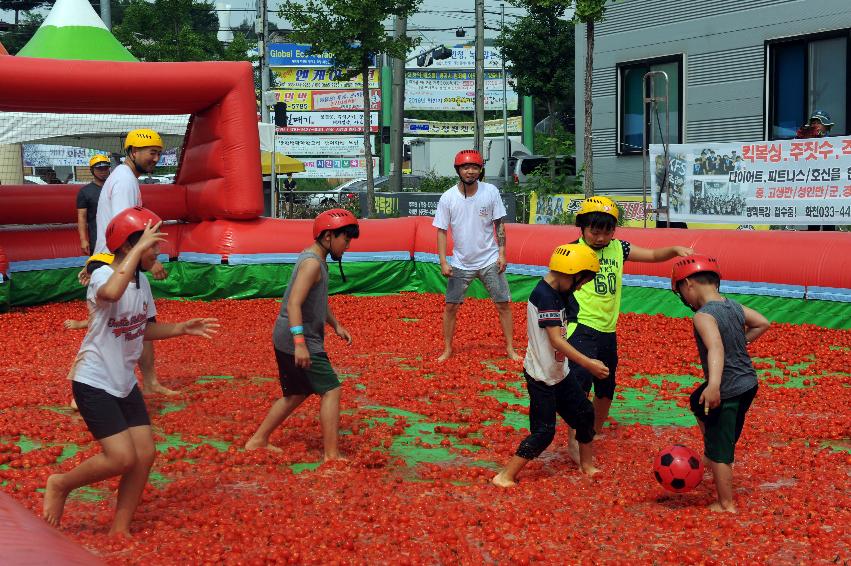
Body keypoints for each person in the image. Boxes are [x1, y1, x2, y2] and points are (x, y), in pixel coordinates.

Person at [43, 207, 218, 535]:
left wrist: (181, 328)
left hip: (123, 383)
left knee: (145, 454)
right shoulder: (101, 276)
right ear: (127, 247)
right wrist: (136, 251)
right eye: (151, 244)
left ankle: (119, 529)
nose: (157, 251)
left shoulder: (142, 284)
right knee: (122, 457)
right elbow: (110, 294)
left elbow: (141, 329)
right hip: (93, 381)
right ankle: (61, 484)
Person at [566, 196, 693, 459]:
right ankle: (576, 438)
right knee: (580, 387)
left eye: (607, 232)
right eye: (595, 232)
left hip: (607, 330)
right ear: (582, 228)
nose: (601, 238)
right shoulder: (572, 252)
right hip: (581, 327)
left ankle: (593, 431)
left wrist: (674, 250)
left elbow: (652, 254)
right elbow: (556, 284)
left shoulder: (619, 249)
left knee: (606, 387)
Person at [245, 209, 359, 461]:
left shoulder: (315, 258)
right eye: (346, 239)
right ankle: (331, 455)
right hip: (298, 338)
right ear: (329, 236)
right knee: (331, 389)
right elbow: (294, 303)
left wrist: (335, 325)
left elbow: (316, 299)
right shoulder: (311, 264)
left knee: (296, 393)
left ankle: (258, 440)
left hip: (288, 336)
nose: (348, 245)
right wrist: (300, 344)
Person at [492, 244, 610, 487]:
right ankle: (505, 476)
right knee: (544, 432)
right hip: (541, 377)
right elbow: (556, 340)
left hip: (559, 373)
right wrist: (588, 363)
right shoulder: (546, 297)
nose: (580, 287)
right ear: (569, 273)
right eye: (580, 282)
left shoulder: (560, 292)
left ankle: (586, 465)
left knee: (585, 414)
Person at [671, 254, 769, 512]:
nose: (684, 298)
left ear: (688, 284)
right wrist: (741, 340)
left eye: (681, 290)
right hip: (748, 383)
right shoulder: (734, 306)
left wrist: (714, 385)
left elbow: (714, 347)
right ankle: (715, 443)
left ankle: (726, 503)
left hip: (727, 387)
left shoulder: (703, 316)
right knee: (697, 400)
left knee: (720, 450)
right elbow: (762, 322)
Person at [86, 129, 176, 396]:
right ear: (133, 152)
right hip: (119, 264)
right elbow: (126, 228)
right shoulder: (125, 181)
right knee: (111, 328)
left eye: (159, 153)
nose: (156, 158)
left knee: (141, 320)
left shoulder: (125, 178)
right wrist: (149, 260)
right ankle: (86, 389)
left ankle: (149, 381)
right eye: (151, 153)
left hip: (124, 262)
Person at [433, 149, 521, 363]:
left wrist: (502, 253)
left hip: (489, 259)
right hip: (461, 262)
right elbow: (441, 230)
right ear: (458, 170)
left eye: (474, 167)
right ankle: (447, 348)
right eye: (465, 167)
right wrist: (443, 261)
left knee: (503, 304)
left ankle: (510, 347)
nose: (470, 171)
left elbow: (499, 223)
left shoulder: (490, 192)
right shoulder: (448, 197)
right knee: (451, 306)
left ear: (481, 170)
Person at [796, 111, 837, 231]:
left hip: (829, 187)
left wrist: (819, 138)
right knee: (813, 222)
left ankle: (830, 247)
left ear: (826, 125)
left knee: (829, 222)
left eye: (818, 122)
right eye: (813, 122)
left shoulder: (834, 142)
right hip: (812, 187)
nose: (815, 124)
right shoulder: (805, 142)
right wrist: (799, 138)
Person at [76, 155, 111, 257]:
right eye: (99, 168)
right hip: (97, 240)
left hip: (117, 237)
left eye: (105, 168)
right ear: (92, 170)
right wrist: (83, 240)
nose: (103, 171)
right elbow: (81, 217)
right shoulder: (85, 192)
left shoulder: (115, 187)